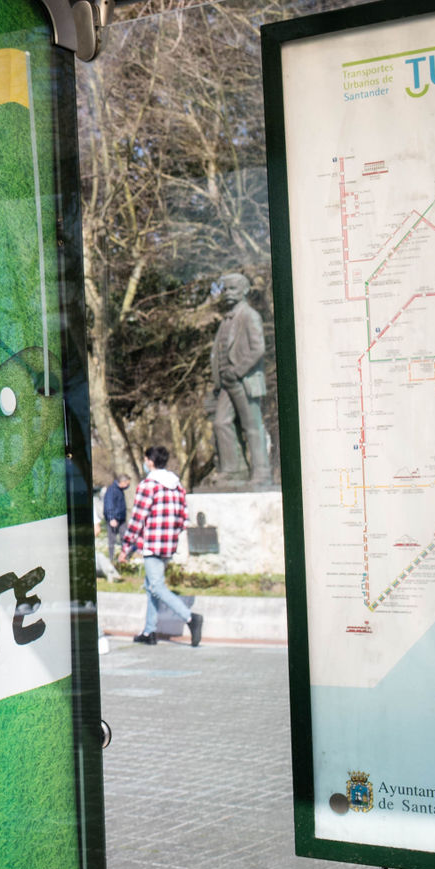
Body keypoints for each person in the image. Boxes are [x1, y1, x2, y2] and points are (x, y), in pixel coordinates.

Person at [118, 446, 203, 646]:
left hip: (152, 543)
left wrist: (126, 547)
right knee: (151, 587)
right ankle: (149, 631)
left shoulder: (148, 485)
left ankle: (190, 618)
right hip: (168, 544)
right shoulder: (177, 485)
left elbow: (138, 518)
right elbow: (184, 518)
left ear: (150, 461)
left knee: (156, 586)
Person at [210, 272, 271, 483]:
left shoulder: (250, 315)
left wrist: (238, 370)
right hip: (227, 383)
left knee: (252, 426)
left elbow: (258, 349)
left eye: (232, 288)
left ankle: (261, 472)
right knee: (221, 423)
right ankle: (234, 469)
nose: (227, 293)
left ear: (244, 290)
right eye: (225, 289)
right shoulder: (226, 320)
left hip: (243, 380)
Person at [102, 472, 131, 561]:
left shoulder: (120, 490)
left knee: (125, 538)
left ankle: (125, 558)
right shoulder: (112, 490)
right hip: (114, 519)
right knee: (112, 540)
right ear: (122, 482)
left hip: (121, 519)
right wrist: (111, 518)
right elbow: (109, 504)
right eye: (127, 483)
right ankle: (111, 559)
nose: (128, 485)